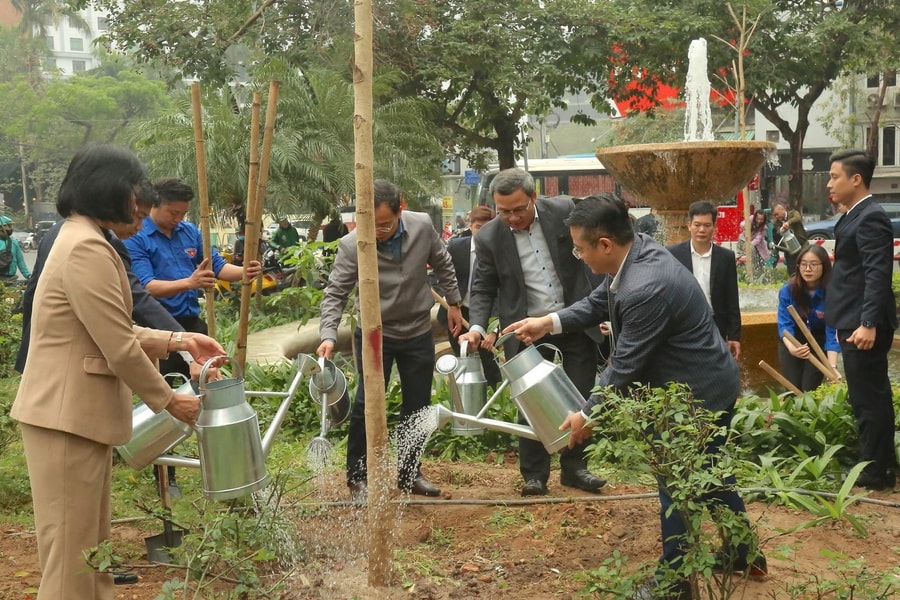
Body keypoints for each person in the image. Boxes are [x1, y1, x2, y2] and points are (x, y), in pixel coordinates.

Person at [507, 194, 765, 600]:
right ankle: (744, 552)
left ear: (605, 244)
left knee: (673, 479)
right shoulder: (636, 252)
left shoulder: (647, 285)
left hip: (697, 395)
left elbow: (624, 366)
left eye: (580, 248)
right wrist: (549, 322)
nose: (578, 255)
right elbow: (600, 302)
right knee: (710, 471)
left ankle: (675, 582)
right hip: (700, 382)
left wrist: (585, 415)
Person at [10, 143, 225, 599]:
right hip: (65, 417)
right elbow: (118, 345)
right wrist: (169, 400)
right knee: (72, 560)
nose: (141, 209)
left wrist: (180, 340)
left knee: (89, 551)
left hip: (74, 417)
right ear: (112, 190)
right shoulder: (85, 246)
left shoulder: (83, 237)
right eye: (137, 196)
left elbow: (109, 327)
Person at [459, 168, 606, 497]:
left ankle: (575, 468)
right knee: (530, 402)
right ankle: (534, 475)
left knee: (579, 399)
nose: (512, 217)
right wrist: (478, 327)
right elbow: (482, 288)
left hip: (572, 320)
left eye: (518, 209)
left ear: (533, 198)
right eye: (503, 211)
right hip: (525, 331)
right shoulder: (489, 237)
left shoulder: (565, 212)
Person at [317, 179, 463, 500]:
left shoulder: (422, 226)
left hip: (417, 331)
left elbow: (443, 262)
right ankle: (358, 478)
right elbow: (335, 293)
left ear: (401, 209)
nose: (377, 231)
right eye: (371, 223)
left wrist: (453, 303)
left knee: (417, 404)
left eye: (384, 224)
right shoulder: (352, 244)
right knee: (366, 405)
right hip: (374, 336)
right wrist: (328, 335)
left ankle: (410, 473)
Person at [124, 178, 260, 378]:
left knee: (206, 378)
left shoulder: (189, 232)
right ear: (154, 205)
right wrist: (190, 283)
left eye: (183, 213)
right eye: (173, 213)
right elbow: (146, 287)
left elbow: (219, 267)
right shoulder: (136, 236)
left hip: (191, 323)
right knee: (165, 384)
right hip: (158, 327)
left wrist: (245, 271)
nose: (178, 218)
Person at [825, 149, 898, 491]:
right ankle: (879, 463)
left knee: (870, 399)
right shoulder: (855, 214)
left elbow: (877, 273)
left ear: (856, 179)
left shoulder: (870, 216)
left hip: (862, 326)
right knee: (866, 397)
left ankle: (876, 472)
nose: (829, 183)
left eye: (834, 176)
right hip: (852, 321)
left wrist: (868, 323)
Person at [436, 205, 502, 388]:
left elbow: (499, 291)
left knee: (489, 363)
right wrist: (451, 303)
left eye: (488, 228)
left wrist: (493, 329)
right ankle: (462, 399)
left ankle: (494, 399)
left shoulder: (500, 252)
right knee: (462, 359)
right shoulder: (456, 247)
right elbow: (441, 273)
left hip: (487, 314)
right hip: (458, 314)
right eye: (479, 227)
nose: (482, 233)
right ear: (470, 226)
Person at [666, 201, 741, 359]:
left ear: (714, 227)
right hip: (683, 325)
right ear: (689, 225)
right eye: (697, 224)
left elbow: (732, 299)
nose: (701, 230)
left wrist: (734, 336)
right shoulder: (673, 255)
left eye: (707, 225)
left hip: (715, 324)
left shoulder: (726, 258)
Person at [776, 244, 840, 392]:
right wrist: (792, 348)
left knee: (809, 389)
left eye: (813, 264)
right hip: (794, 340)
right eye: (803, 264)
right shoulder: (788, 290)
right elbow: (784, 324)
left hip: (819, 340)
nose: (807, 269)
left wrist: (832, 367)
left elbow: (832, 332)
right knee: (791, 390)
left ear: (824, 266)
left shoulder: (832, 293)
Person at [772, 202, 808, 275]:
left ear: (782, 210)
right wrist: (782, 230)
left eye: (777, 214)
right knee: (792, 270)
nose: (776, 217)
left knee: (804, 264)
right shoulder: (777, 223)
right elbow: (778, 231)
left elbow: (797, 218)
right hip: (789, 249)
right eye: (774, 215)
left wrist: (788, 223)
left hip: (802, 244)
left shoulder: (793, 213)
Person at [0, 215, 31, 282]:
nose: (11, 229)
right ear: (1, 227)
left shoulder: (14, 242)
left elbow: (20, 262)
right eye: (9, 226)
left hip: (12, 279)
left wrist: (28, 275)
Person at [748, 209, 772, 274]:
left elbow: (757, 240)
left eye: (761, 219)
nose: (759, 221)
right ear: (755, 217)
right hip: (748, 242)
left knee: (758, 264)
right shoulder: (751, 219)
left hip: (759, 247)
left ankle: (758, 278)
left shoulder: (764, 228)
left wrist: (749, 245)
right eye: (758, 219)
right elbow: (742, 225)